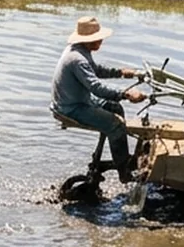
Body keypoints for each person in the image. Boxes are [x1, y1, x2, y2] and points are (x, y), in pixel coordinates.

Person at [51, 16, 147, 183]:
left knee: (115, 108)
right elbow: (96, 87)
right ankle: (124, 172)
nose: (101, 41)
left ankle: (113, 158)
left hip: (76, 99)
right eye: (98, 38)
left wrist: (123, 72)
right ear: (88, 40)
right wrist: (126, 94)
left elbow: (95, 70)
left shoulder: (78, 50)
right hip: (71, 107)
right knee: (116, 125)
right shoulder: (77, 59)